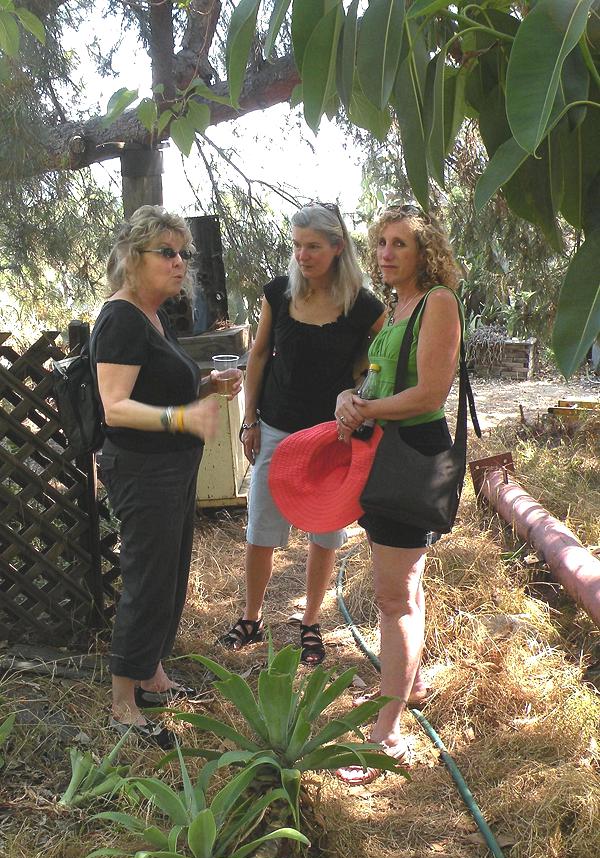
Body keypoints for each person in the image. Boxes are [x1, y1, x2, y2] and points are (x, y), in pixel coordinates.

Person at [93, 205, 242, 747]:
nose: (180, 263)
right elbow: (115, 406)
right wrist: (182, 416)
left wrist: (206, 386)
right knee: (147, 577)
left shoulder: (153, 316)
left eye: (184, 253)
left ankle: (151, 672)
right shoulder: (121, 318)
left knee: (171, 571)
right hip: (142, 469)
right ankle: (122, 701)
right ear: (134, 259)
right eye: (167, 253)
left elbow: (158, 386)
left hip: (171, 467)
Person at [218, 203, 385, 664]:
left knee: (325, 533)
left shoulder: (364, 306)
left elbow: (387, 356)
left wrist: (363, 390)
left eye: (312, 246)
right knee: (260, 530)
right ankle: (250, 619)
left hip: (332, 439)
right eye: (296, 245)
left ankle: (311, 623)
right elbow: (258, 356)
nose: (302, 255)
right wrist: (249, 419)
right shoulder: (278, 293)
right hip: (275, 428)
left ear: (337, 247)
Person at [333, 203, 462, 784]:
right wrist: (350, 397)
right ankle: (408, 682)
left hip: (410, 453)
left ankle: (386, 733)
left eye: (399, 244)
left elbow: (429, 394)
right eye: (381, 242)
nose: (385, 253)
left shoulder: (437, 302)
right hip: (388, 453)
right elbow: (377, 379)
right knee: (408, 587)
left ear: (425, 253)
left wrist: (365, 409)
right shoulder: (394, 309)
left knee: (394, 600)